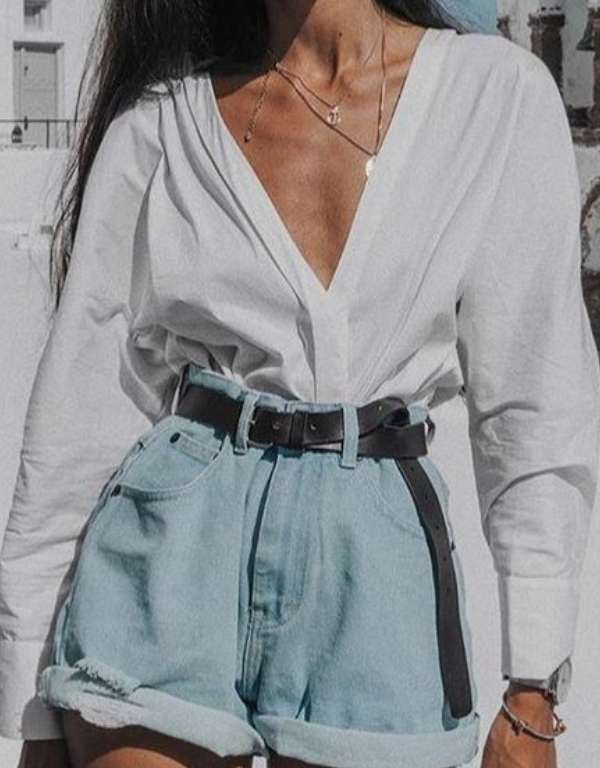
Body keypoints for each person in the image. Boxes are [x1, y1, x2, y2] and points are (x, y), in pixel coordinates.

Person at [1, 0, 599, 767]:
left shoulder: (495, 96)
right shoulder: (158, 127)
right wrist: (35, 709)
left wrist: (534, 687)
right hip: (171, 548)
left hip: (373, 571)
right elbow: (80, 422)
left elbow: (533, 402)